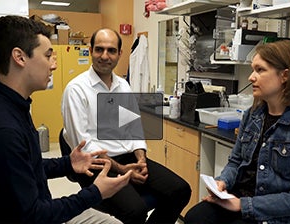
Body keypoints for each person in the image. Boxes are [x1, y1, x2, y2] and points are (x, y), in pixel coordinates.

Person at [0, 15, 132, 224]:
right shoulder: (2, 130)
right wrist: (96, 193)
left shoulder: (12, 107)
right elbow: (33, 216)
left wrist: (68, 164)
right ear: (20, 57)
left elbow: (27, 165)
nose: (54, 65)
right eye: (48, 55)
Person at [184, 40, 290, 224]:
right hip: (241, 198)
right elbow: (236, 162)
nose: (251, 77)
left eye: (260, 70)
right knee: (195, 218)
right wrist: (223, 182)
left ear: (285, 75)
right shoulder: (252, 116)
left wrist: (243, 205)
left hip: (281, 215)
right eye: (253, 69)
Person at [61, 28, 192, 224]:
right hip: (97, 166)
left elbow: (133, 128)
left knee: (181, 190)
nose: (105, 56)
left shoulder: (123, 86)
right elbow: (85, 148)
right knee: (135, 211)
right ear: (91, 50)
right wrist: (123, 170)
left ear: (120, 54)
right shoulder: (76, 89)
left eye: (111, 50)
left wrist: (141, 160)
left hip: (128, 157)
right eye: (99, 49)